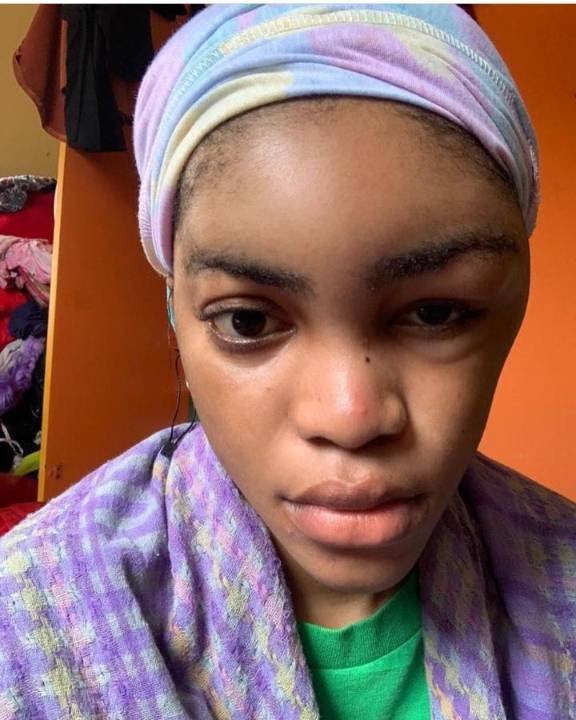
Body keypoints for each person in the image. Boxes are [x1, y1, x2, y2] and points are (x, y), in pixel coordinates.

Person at [1, 4, 574, 719]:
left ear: (514, 301)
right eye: (248, 321)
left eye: (435, 313)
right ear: (176, 311)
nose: (350, 417)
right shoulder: (27, 620)